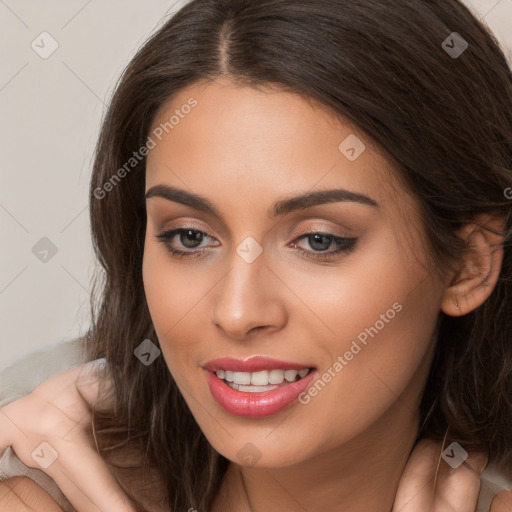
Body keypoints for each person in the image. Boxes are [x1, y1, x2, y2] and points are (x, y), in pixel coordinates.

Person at [1, 0, 512, 510]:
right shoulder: (30, 481)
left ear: (469, 264)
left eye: (318, 240)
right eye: (190, 237)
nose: (238, 312)